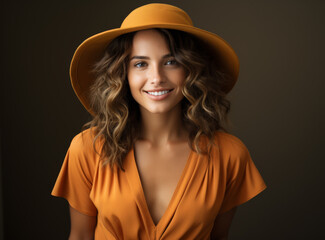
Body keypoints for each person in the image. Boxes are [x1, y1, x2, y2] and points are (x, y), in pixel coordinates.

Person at [52, 3, 266, 240]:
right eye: (140, 64)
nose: (156, 78)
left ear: (191, 70)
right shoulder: (87, 149)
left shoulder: (229, 155)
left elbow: (218, 237)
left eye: (171, 61)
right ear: (123, 73)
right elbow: (80, 235)